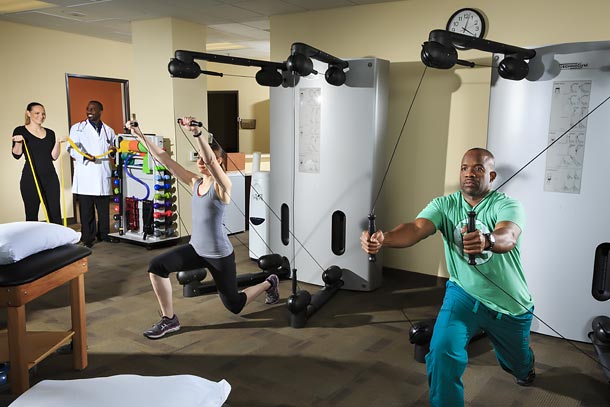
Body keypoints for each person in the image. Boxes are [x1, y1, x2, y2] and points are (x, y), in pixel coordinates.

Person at [361, 148, 535, 407]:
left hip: (509, 304)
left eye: (478, 168)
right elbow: (416, 228)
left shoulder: (506, 205)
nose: (469, 173)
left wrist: (487, 240)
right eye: (464, 167)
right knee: (442, 353)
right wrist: (384, 239)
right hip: (463, 294)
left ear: (492, 175)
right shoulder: (445, 205)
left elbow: (508, 235)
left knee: (518, 365)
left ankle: (524, 368)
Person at [125, 117, 280, 340]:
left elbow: (210, 161)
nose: (201, 161)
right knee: (156, 266)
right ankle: (169, 319)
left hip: (219, 255)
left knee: (234, 305)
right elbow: (165, 160)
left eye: (207, 159)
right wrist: (139, 134)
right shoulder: (194, 182)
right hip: (196, 249)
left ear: (218, 162)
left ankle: (268, 282)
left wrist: (197, 134)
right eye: (198, 158)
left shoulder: (223, 186)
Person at [67, 100, 117, 247]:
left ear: (101, 111)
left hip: (102, 172)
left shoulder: (109, 130)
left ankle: (104, 234)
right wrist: (85, 156)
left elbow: (114, 149)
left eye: (93, 109)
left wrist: (113, 152)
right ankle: (87, 237)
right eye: (88, 109)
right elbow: (71, 148)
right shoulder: (77, 128)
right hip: (86, 173)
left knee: (103, 209)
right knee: (86, 209)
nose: (89, 111)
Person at [11, 102, 64, 224]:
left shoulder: (50, 133)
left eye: (43, 114)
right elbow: (16, 155)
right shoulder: (20, 130)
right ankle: (32, 242)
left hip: (50, 178)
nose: (41, 116)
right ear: (28, 113)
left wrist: (57, 143)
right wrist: (18, 142)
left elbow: (53, 157)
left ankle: (57, 242)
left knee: (55, 213)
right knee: (31, 214)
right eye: (37, 113)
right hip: (31, 178)